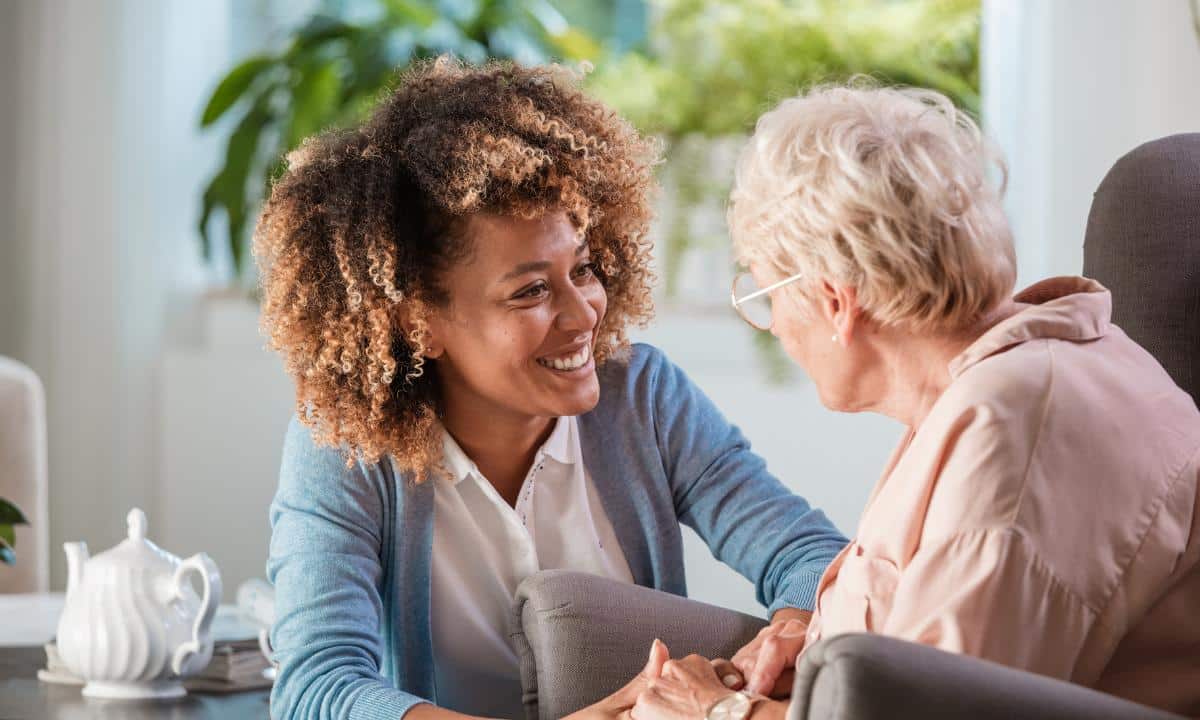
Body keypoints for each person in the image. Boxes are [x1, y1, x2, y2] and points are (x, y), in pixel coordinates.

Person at [255, 58, 848, 720]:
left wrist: (787, 636)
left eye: (584, 269)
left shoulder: (644, 399)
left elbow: (811, 555)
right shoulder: (345, 448)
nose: (584, 313)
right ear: (419, 322)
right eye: (531, 290)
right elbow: (317, 689)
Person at [627, 83, 1200, 719]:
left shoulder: (1012, 435)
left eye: (766, 296)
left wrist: (719, 713)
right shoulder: (1011, 378)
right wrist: (821, 651)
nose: (777, 328)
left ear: (833, 300)